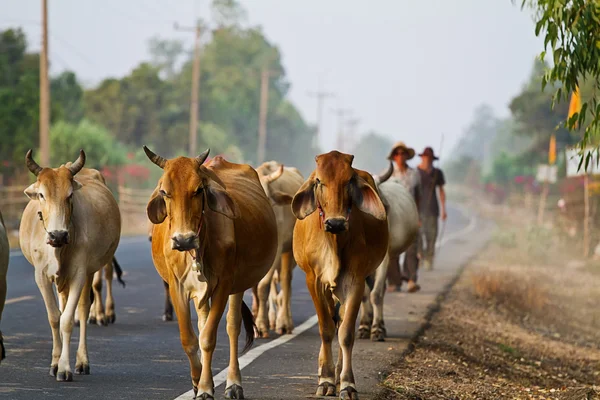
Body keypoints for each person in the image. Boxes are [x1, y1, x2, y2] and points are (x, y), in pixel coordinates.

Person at [385, 141, 422, 293]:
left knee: (412, 248)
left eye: (403, 153)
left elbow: (418, 196)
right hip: (394, 217)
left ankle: (411, 279)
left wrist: (418, 216)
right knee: (391, 248)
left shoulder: (414, 174)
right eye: (397, 153)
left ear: (407, 156)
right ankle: (395, 281)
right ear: (394, 157)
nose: (400, 156)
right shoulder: (387, 175)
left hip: (410, 216)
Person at [416, 146, 447, 270]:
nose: (427, 160)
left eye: (430, 158)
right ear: (422, 157)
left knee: (432, 236)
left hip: (433, 209)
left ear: (433, 159)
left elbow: (441, 191)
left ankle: (429, 258)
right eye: (425, 157)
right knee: (418, 235)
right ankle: (421, 255)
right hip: (419, 209)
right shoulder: (416, 172)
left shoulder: (437, 173)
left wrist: (444, 209)